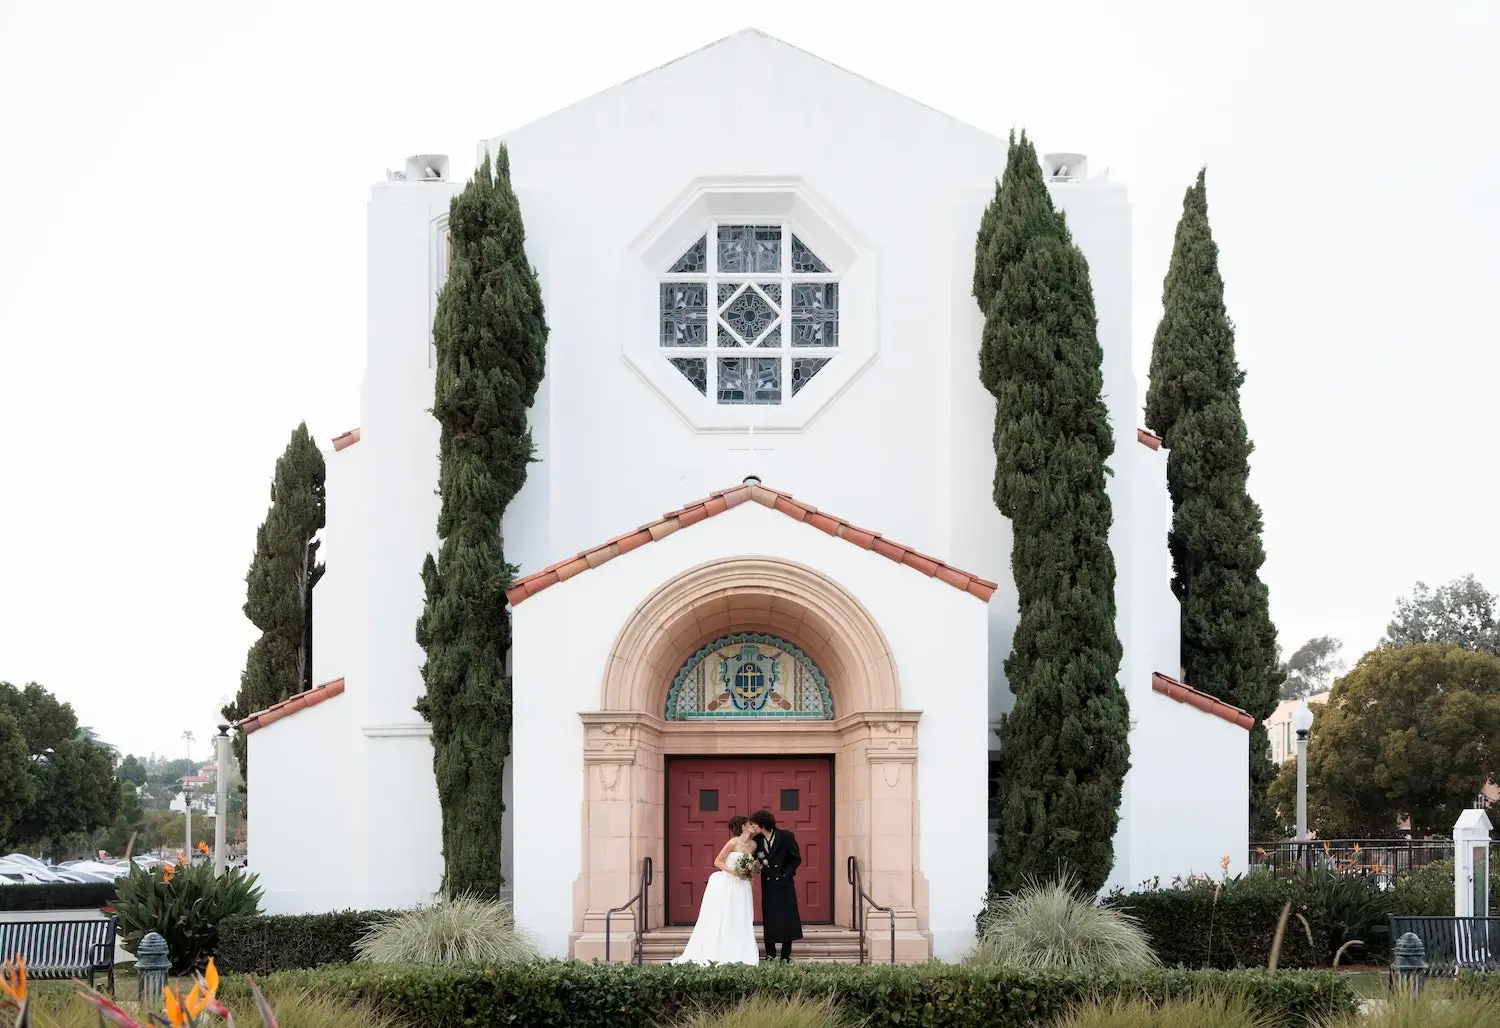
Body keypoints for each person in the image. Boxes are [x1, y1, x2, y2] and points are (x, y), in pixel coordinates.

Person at [671, 815, 761, 966]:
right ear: (743, 826)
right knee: (725, 915)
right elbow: (717, 861)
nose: (752, 826)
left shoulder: (753, 845)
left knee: (740, 916)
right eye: (749, 824)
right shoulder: (733, 842)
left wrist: (748, 875)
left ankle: (739, 949)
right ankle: (719, 949)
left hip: (742, 885)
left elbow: (749, 865)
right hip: (729, 882)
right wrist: (735, 872)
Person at [750, 809, 802, 962]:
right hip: (768, 885)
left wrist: (786, 875)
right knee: (770, 918)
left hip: (785, 884)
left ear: (762, 824)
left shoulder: (786, 836)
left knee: (787, 917)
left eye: (754, 824)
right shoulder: (758, 840)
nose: (753, 827)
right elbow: (752, 858)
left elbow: (796, 859)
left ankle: (786, 954)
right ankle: (770, 953)